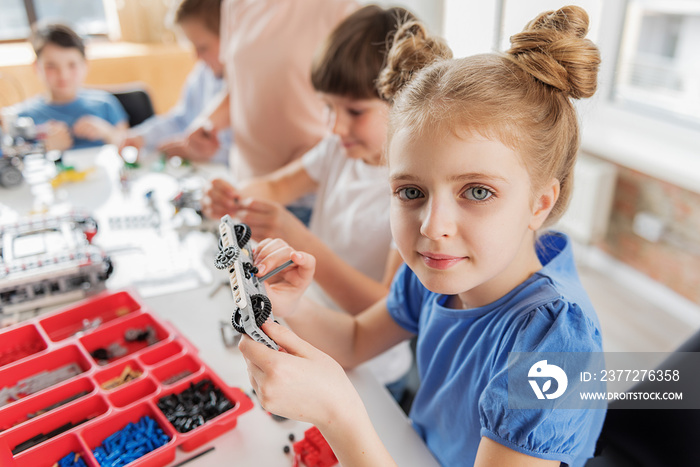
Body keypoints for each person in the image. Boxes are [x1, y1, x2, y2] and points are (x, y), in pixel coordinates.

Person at [239, 6, 606, 467]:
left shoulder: (556, 344)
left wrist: (338, 414)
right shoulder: (436, 269)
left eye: (477, 191)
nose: (432, 227)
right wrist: (288, 306)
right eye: (410, 191)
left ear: (540, 203)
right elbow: (355, 340)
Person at [204, 5, 414, 397]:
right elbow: (275, 187)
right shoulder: (337, 148)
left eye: (354, 110)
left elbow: (387, 307)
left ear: (407, 100)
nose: (335, 126)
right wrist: (229, 194)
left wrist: (297, 236)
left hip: (373, 371)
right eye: (328, 107)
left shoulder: (413, 191)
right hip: (312, 337)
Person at [187, 0, 356, 222]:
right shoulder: (235, 4)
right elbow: (239, 86)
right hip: (247, 189)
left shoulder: (339, 7)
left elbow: (355, 101)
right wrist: (208, 123)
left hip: (306, 194)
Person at [120, 0, 232, 164]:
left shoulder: (253, 86)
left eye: (202, 47)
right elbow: (181, 119)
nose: (196, 57)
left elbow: (256, 156)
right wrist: (141, 136)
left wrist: (201, 153)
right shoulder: (203, 74)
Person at [15, 23, 128, 151]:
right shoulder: (23, 118)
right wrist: (43, 148)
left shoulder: (105, 104)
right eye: (51, 66)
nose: (63, 75)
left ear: (85, 64)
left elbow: (129, 149)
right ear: (36, 67)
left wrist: (108, 133)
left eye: (72, 65)